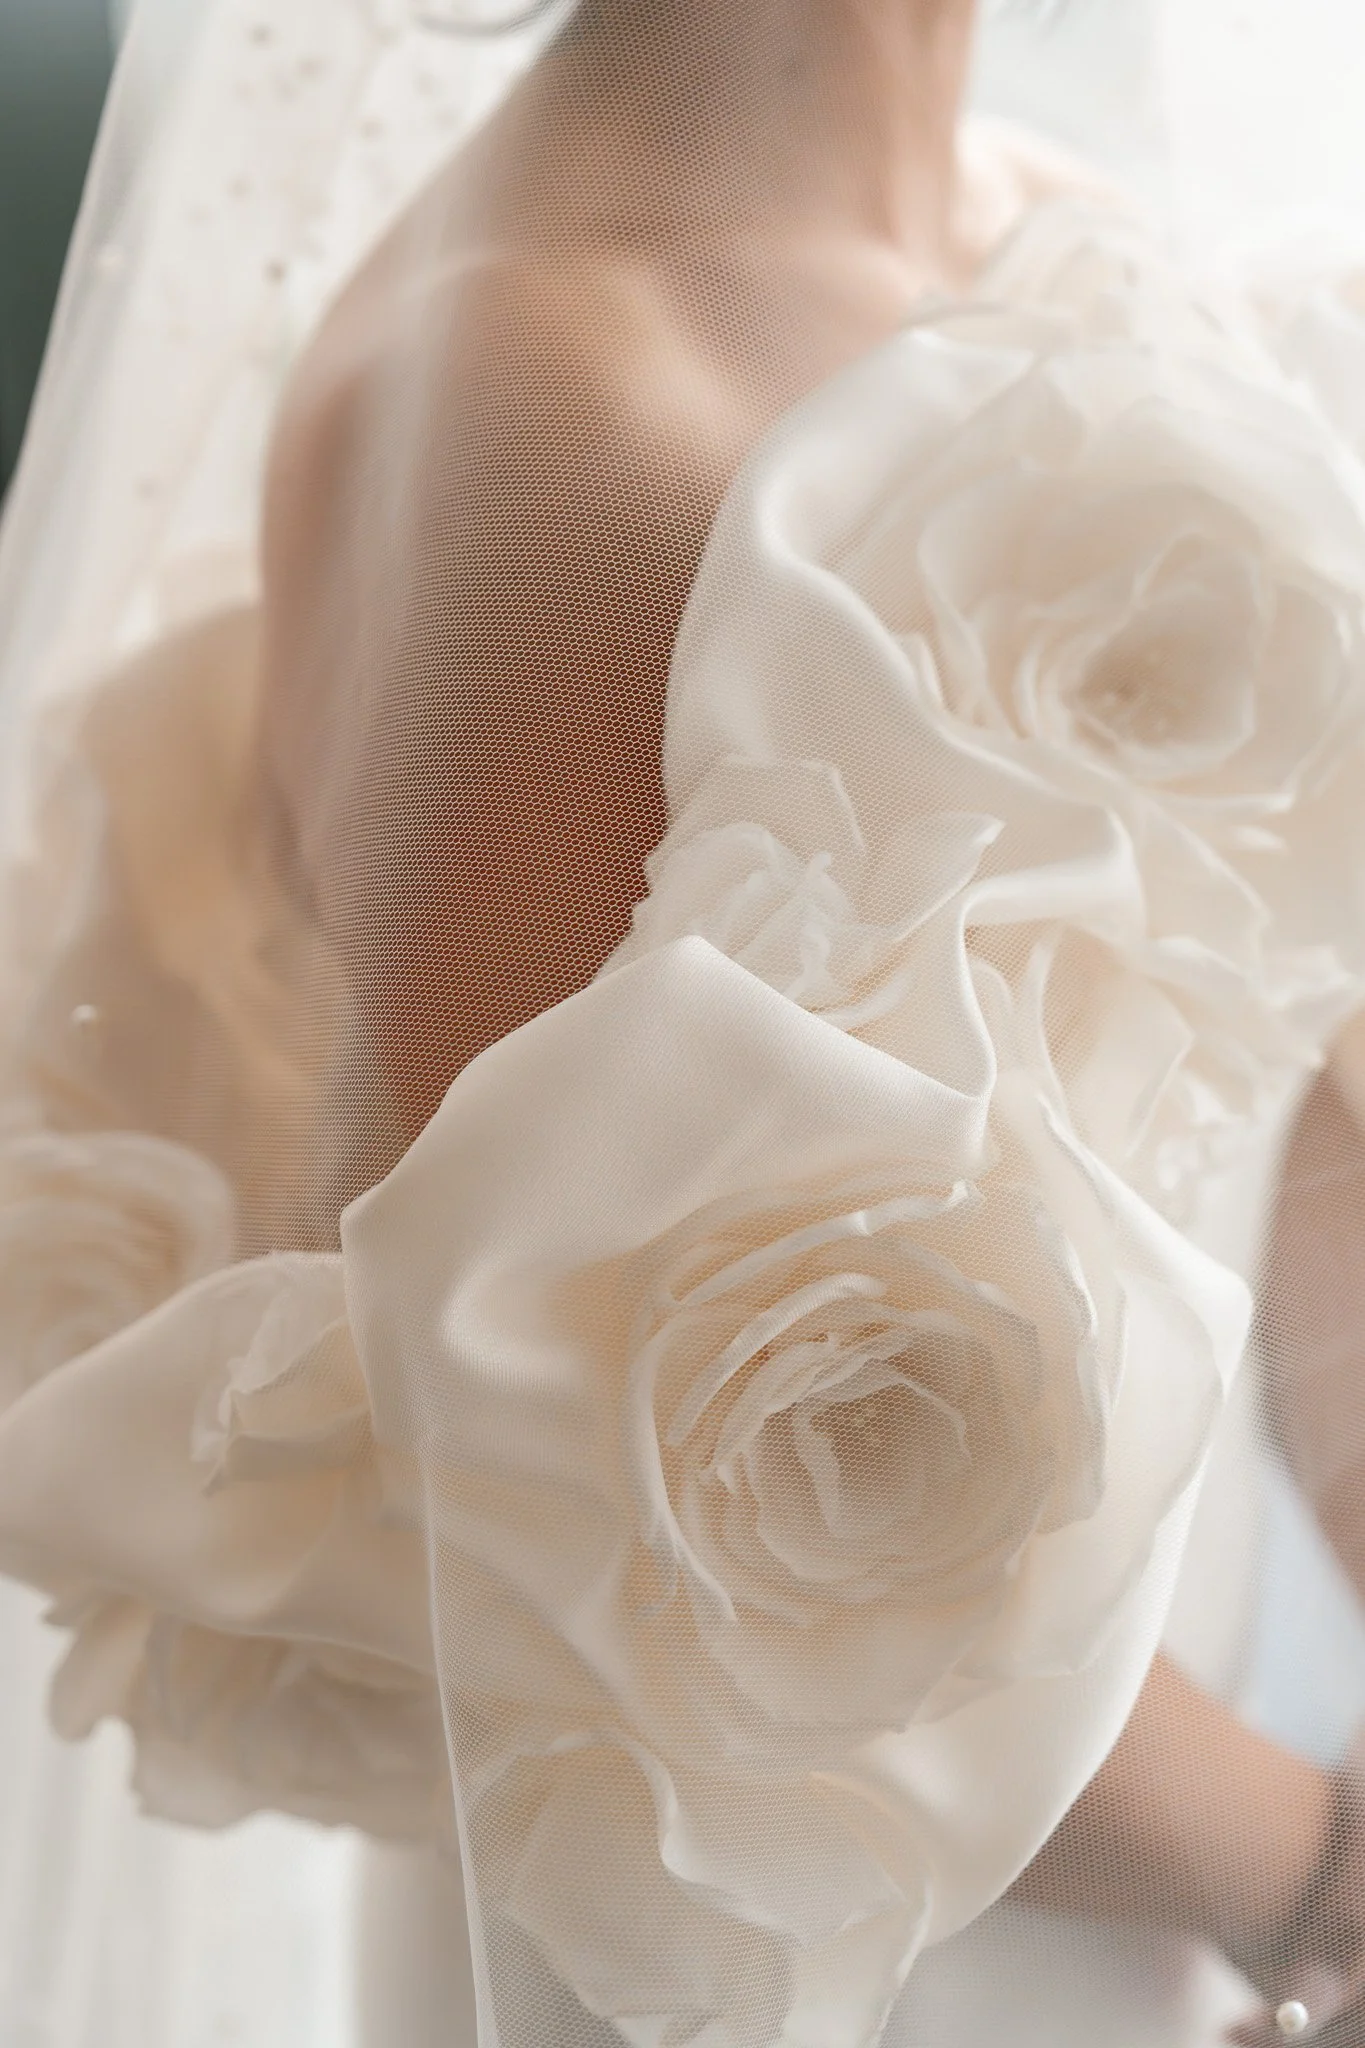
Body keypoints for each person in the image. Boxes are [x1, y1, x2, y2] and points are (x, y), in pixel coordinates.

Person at [1, 0, 1364, 2043]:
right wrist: (1312, 1872)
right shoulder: (537, 412)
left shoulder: (1068, 250)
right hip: (801, 1966)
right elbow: (598, 1541)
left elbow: (1274, 1077)